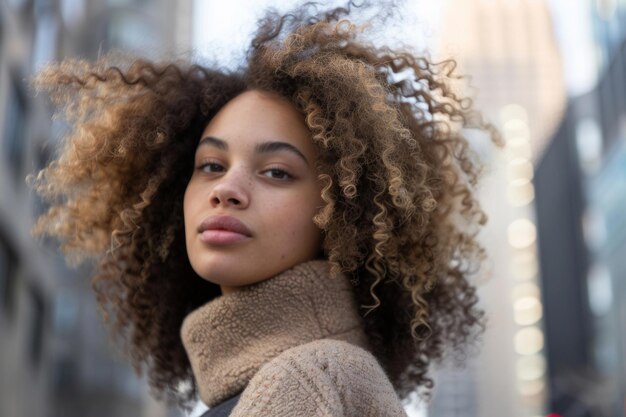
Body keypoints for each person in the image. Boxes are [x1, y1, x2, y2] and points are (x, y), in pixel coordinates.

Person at [30, 1, 499, 416]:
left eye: (276, 172)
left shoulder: (311, 379)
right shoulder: (298, 379)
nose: (227, 189)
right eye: (211, 165)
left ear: (343, 214)